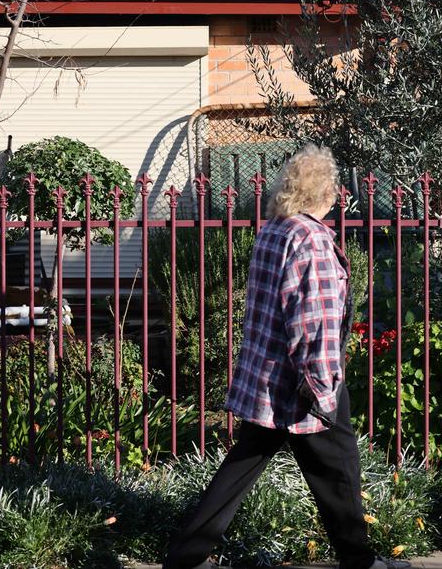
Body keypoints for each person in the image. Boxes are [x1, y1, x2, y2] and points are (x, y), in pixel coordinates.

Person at [163, 145, 404, 569]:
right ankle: (360, 561)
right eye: (334, 188)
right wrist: (323, 391)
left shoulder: (276, 229)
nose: (337, 196)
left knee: (244, 464)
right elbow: (314, 323)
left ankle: (185, 557)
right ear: (325, 192)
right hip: (303, 381)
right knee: (339, 469)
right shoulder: (311, 241)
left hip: (267, 377)